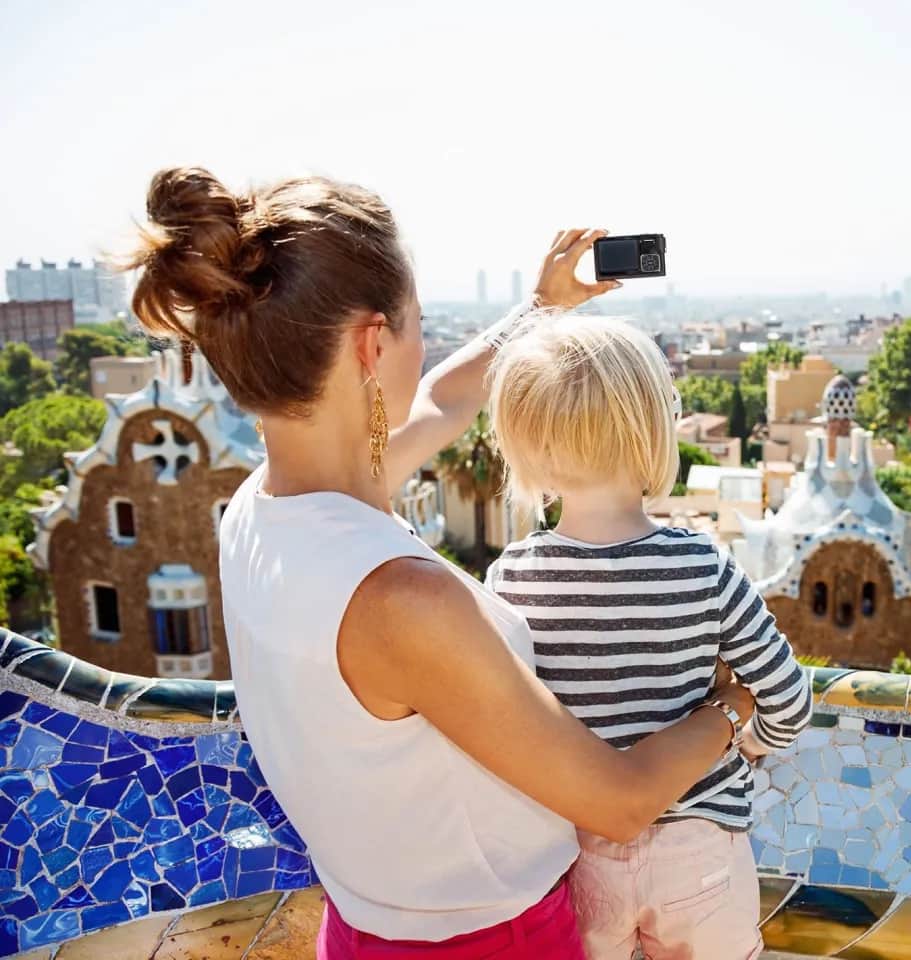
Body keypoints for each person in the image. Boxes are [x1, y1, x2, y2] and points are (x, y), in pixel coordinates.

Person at [124, 167, 756, 960]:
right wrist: (731, 708)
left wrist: (541, 310)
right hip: (496, 942)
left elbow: (441, 405)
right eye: (417, 321)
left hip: (360, 929)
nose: (424, 346)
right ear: (371, 343)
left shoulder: (261, 512)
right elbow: (621, 801)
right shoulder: (399, 599)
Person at [485, 314, 812, 960]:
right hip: (702, 850)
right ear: (650, 434)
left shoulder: (511, 579)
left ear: (531, 447)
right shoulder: (703, 567)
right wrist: (744, 745)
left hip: (578, 857)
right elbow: (790, 700)